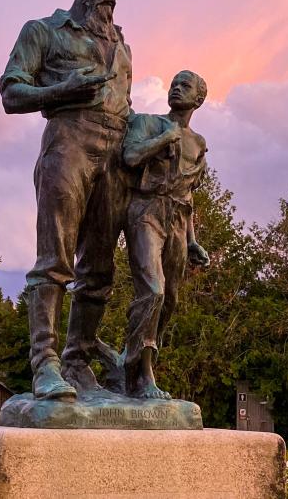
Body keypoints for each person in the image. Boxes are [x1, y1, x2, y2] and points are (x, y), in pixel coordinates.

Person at [0, 0, 132, 400]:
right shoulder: (44, 31)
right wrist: (61, 90)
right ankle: (45, 365)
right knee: (55, 260)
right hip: (68, 145)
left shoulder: (122, 47)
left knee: (99, 270)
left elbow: (126, 109)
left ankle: (77, 361)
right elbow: (11, 93)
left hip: (115, 158)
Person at [121, 70, 210, 399]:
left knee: (169, 300)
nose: (175, 88)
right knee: (153, 291)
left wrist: (191, 239)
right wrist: (163, 140)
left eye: (184, 85)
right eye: (174, 83)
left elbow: (188, 194)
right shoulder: (149, 124)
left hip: (176, 220)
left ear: (198, 99)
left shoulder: (199, 144)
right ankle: (143, 374)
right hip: (146, 211)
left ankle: (131, 361)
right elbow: (129, 156)